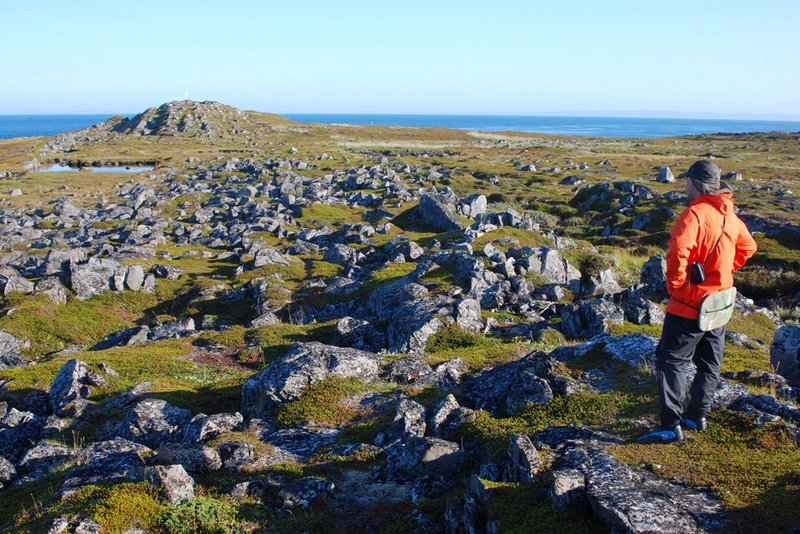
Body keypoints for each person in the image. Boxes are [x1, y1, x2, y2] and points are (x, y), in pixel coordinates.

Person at [639, 160, 757, 444]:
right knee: (709, 363)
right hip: (721, 301)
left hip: (691, 302)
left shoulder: (695, 214)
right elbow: (749, 247)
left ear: (696, 183)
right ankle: (697, 416)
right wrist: (725, 272)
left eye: (687, 181)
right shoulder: (729, 215)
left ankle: (671, 425)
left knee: (671, 360)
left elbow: (679, 250)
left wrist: (677, 286)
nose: (684, 185)